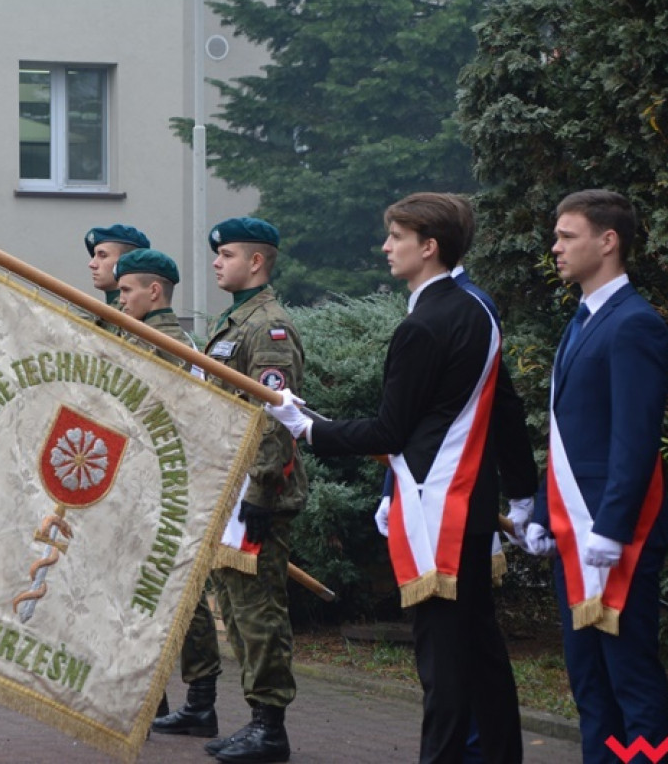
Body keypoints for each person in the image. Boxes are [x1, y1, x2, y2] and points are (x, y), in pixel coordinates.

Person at [266, 193, 536, 764]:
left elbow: (390, 432)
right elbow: (502, 408)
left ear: (429, 246)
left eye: (396, 236)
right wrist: (524, 490)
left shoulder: (423, 325)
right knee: (482, 654)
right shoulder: (477, 305)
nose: (386, 247)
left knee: (441, 661)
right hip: (467, 498)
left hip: (438, 505)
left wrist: (307, 427)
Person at [523, 189, 668, 761]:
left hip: (614, 537)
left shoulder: (634, 324)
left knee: (631, 679)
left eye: (567, 236)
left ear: (608, 241)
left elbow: (634, 440)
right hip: (573, 532)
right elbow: (568, 435)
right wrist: (540, 508)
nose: (555, 247)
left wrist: (610, 526)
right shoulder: (584, 320)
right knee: (590, 683)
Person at [200, 217, 308, 764]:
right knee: (238, 613)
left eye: (228, 254)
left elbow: (275, 417)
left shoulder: (269, 327)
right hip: (230, 487)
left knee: (260, 610)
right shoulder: (233, 322)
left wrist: (263, 490)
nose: (217, 261)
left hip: (257, 492)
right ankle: (256, 720)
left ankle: (271, 728)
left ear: (257, 262)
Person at [112, 248, 221, 737]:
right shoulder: (139, 336)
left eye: (127, 289)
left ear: (154, 291)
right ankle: (149, 698)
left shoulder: (167, 345)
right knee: (143, 594)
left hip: (164, 489)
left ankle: (199, 701)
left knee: (177, 596)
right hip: (138, 486)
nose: (120, 297)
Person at [84, 223, 150, 332]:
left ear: (127, 262)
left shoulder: (134, 313)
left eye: (102, 255)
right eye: (94, 256)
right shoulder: (110, 311)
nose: (92, 264)